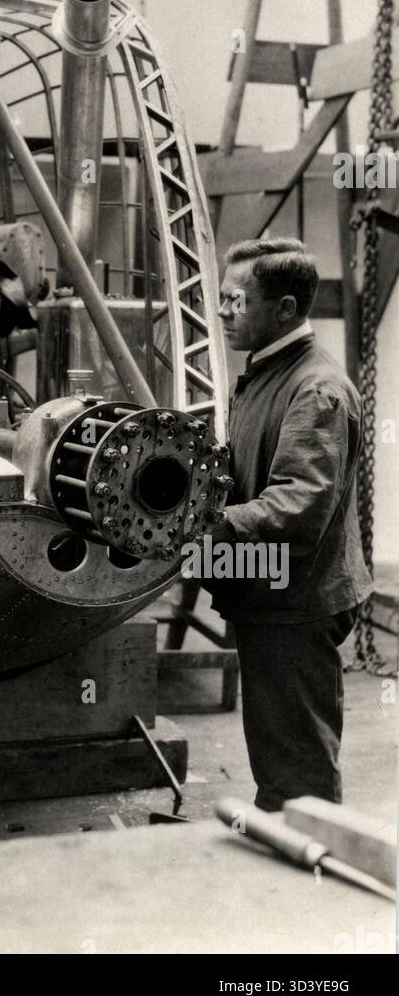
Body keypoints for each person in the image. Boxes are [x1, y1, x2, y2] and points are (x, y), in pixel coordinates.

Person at [207, 237, 372, 812]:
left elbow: (298, 508)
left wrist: (206, 530)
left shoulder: (315, 389)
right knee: (278, 757)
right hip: (270, 593)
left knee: (297, 774)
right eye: (222, 299)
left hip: (298, 602)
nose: (223, 313)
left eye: (236, 301)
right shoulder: (264, 374)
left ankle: (310, 888)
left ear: (283, 310)